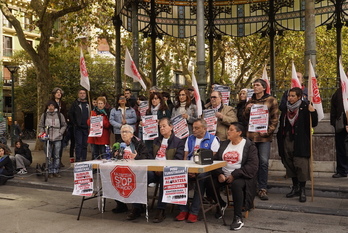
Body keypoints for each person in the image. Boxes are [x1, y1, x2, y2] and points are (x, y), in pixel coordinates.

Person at [211, 122, 258, 230]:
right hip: (223, 175)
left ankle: (238, 217)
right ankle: (221, 204)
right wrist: (219, 173)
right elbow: (216, 160)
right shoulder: (224, 144)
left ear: (239, 133)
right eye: (228, 129)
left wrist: (234, 175)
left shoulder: (249, 146)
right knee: (208, 181)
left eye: (231, 130)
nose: (228, 131)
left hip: (241, 176)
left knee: (236, 185)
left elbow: (252, 166)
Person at [277, 87, 318, 202]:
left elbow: (313, 123)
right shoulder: (285, 108)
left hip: (300, 141)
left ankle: (302, 189)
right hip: (287, 139)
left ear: (299, 97)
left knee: (301, 165)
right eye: (289, 96)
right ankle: (295, 187)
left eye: (292, 96)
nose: (289, 98)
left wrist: (313, 112)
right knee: (289, 164)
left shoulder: (305, 107)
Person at [175, 119, 220, 223]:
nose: (193, 130)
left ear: (204, 128)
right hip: (189, 167)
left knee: (201, 178)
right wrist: (187, 168)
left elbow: (212, 158)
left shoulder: (213, 140)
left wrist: (196, 171)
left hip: (204, 168)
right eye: (193, 128)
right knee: (177, 175)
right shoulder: (190, 138)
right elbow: (185, 156)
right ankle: (183, 210)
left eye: (197, 128)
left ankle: (194, 212)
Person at [244, 78, 279, 201]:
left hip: (264, 138)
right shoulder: (250, 100)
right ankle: (251, 187)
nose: (255, 87)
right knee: (251, 162)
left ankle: (262, 188)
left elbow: (275, 119)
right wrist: (248, 108)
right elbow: (244, 117)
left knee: (263, 162)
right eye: (254, 85)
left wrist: (267, 132)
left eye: (258, 85)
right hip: (251, 136)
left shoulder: (271, 100)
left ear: (264, 87)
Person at [111, 125, 151, 217]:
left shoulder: (139, 143)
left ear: (132, 134)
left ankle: (137, 207)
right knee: (112, 178)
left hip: (137, 171)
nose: (124, 134)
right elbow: (113, 157)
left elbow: (147, 157)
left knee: (134, 179)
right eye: (122, 132)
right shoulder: (118, 143)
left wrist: (136, 157)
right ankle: (121, 205)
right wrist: (115, 154)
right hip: (122, 170)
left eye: (126, 132)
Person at [152, 118, 185, 223]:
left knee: (164, 177)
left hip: (168, 172)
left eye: (164, 126)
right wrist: (154, 168)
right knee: (139, 175)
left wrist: (163, 169)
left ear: (171, 127)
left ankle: (160, 210)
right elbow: (149, 156)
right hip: (153, 170)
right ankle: (137, 207)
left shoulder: (178, 142)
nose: (161, 128)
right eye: (160, 126)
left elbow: (178, 160)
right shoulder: (156, 140)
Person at [38, 100, 67, 178]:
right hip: (47, 138)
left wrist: (60, 133)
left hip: (57, 137)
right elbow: (40, 126)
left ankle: (56, 170)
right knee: (48, 155)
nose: (51, 107)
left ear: (55, 107)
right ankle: (49, 170)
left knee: (57, 155)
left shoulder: (60, 115)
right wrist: (42, 133)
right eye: (49, 106)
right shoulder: (44, 115)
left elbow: (64, 125)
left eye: (52, 106)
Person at [330, 86, 348, 178]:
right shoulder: (339, 92)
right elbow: (333, 108)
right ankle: (342, 170)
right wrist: (335, 122)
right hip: (341, 125)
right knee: (341, 148)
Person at [69, 88, 90, 162]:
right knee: (78, 144)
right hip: (78, 128)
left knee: (85, 144)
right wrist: (75, 123)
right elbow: (71, 114)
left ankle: (84, 159)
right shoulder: (75, 104)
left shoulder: (88, 104)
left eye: (83, 93)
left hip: (86, 127)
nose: (82, 94)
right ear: (78, 94)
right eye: (81, 93)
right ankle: (78, 159)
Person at [51, 87, 68, 168]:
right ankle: (52, 160)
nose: (59, 94)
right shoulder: (50, 103)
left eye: (60, 93)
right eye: (57, 92)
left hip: (61, 127)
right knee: (52, 146)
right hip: (52, 126)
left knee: (60, 145)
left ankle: (58, 160)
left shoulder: (63, 103)